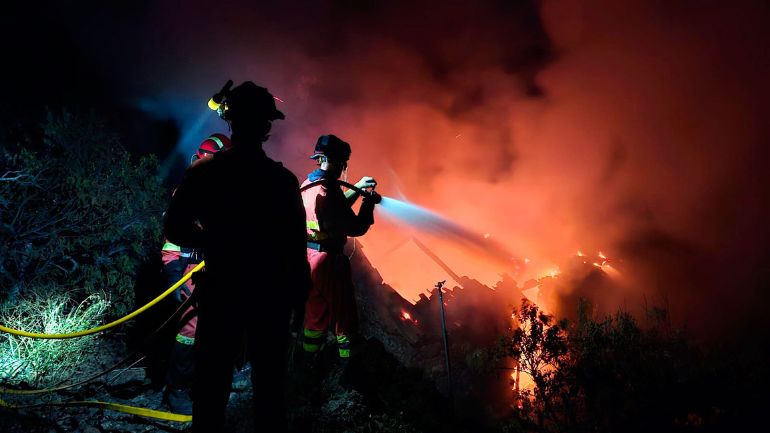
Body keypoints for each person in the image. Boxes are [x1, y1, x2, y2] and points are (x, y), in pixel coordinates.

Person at [164, 81, 311, 433]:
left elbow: (175, 229)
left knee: (211, 387)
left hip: (221, 291)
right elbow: (296, 251)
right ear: (266, 126)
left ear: (230, 120)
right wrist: (299, 303)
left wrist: (214, 240)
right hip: (270, 297)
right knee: (269, 391)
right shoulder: (283, 181)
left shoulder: (204, 172)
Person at [299, 134, 381, 385]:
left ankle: (306, 368)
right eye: (343, 162)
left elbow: (335, 211)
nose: (344, 167)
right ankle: (351, 373)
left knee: (315, 316)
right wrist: (368, 204)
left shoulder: (309, 184)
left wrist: (356, 187)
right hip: (330, 262)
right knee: (346, 317)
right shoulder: (330, 190)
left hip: (309, 257)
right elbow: (354, 227)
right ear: (334, 160)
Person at [161, 133, 231, 415]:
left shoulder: (228, 191)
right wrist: (174, 274)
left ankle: (208, 382)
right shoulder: (188, 192)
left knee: (219, 328)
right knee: (189, 330)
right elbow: (172, 240)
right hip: (192, 269)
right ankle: (177, 389)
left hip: (221, 269)